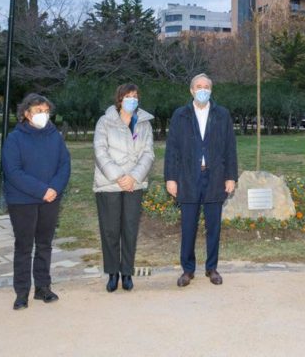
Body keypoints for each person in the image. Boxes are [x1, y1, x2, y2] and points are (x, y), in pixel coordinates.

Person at [164, 73, 238, 287]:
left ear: (211, 90)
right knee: (188, 227)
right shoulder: (180, 115)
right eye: (199, 86)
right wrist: (171, 178)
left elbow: (230, 148)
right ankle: (188, 270)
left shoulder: (222, 115)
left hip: (215, 177)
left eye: (206, 86)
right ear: (191, 90)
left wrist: (231, 176)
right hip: (187, 177)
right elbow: (172, 150)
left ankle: (212, 268)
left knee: (213, 226)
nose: (203, 89)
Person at [2, 93, 71, 310]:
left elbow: (64, 164)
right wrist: (42, 190)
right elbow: (12, 171)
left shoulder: (55, 136)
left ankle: (43, 288)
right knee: (24, 246)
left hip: (50, 198)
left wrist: (54, 189)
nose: (43, 115)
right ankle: (22, 292)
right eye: (38, 111)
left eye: (46, 111)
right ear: (26, 114)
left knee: (44, 244)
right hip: (22, 200)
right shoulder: (15, 139)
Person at [93, 84, 155, 292]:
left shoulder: (144, 124)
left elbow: (148, 154)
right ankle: (112, 273)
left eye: (135, 96)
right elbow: (100, 151)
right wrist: (119, 176)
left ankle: (127, 273)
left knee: (129, 229)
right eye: (128, 96)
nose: (132, 100)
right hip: (109, 184)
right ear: (119, 99)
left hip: (133, 185)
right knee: (110, 230)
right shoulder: (105, 122)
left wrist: (134, 177)